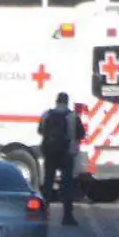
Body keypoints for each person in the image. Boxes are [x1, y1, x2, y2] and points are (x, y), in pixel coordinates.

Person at [37, 91, 83, 226]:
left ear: (56, 101)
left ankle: (43, 214)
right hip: (66, 154)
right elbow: (81, 133)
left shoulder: (47, 114)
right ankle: (67, 217)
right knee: (67, 185)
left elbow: (40, 130)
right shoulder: (72, 116)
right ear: (67, 102)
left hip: (50, 152)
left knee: (47, 183)